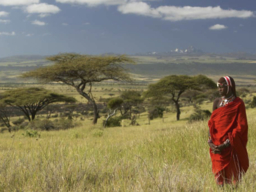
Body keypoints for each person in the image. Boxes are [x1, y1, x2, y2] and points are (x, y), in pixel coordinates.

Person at [208, 76, 249, 186]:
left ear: (229, 87)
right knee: (219, 182)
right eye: (218, 87)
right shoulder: (216, 102)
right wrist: (211, 143)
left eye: (222, 86)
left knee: (233, 181)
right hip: (216, 147)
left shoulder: (238, 103)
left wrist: (226, 144)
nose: (219, 89)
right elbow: (211, 125)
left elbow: (241, 126)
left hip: (231, 146)